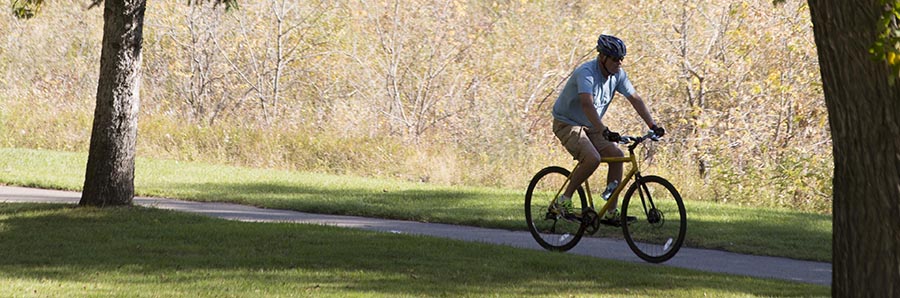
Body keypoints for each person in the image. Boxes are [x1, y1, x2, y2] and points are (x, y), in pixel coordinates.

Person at [551, 34, 665, 226]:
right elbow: (587, 104)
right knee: (592, 158)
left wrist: (652, 125)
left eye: (621, 59)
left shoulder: (617, 75)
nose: (619, 63)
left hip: (591, 125)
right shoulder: (586, 73)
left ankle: (611, 211)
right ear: (602, 57)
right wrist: (603, 129)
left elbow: (635, 99)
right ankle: (564, 200)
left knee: (617, 156)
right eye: (615, 59)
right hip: (567, 123)